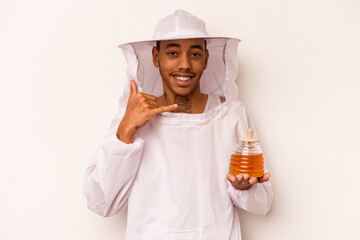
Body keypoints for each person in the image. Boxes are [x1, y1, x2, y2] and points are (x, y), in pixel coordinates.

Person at [83, 9, 272, 240]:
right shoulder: (133, 116)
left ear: (206, 59)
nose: (184, 64)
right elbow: (100, 202)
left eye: (194, 53)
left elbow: (262, 204)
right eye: (173, 52)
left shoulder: (230, 115)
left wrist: (245, 188)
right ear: (155, 57)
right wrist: (125, 132)